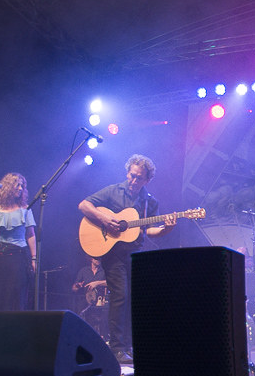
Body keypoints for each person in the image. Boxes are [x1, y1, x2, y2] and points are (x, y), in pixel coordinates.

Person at [79, 155, 177, 362]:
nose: (134, 181)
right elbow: (84, 205)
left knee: (135, 298)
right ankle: (116, 348)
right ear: (127, 173)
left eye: (139, 178)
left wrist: (166, 229)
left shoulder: (149, 202)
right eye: (132, 176)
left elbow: (149, 231)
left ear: (147, 180)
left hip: (135, 254)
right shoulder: (113, 191)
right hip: (113, 254)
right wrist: (105, 219)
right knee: (119, 296)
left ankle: (131, 346)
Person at [0, 172, 36, 311]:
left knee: (15, 297)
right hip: (0, 258)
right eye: (17, 185)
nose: (20, 188)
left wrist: (34, 258)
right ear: (8, 187)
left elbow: (31, 234)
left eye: (22, 186)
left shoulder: (25, 209)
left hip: (18, 257)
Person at [73, 255, 109, 339]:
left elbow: (110, 282)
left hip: (100, 299)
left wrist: (97, 283)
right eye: (96, 258)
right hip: (86, 299)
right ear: (91, 259)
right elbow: (74, 288)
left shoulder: (104, 270)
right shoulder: (83, 270)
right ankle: (81, 335)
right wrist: (78, 286)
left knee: (106, 313)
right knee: (80, 311)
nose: (98, 260)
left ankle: (104, 336)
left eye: (100, 258)